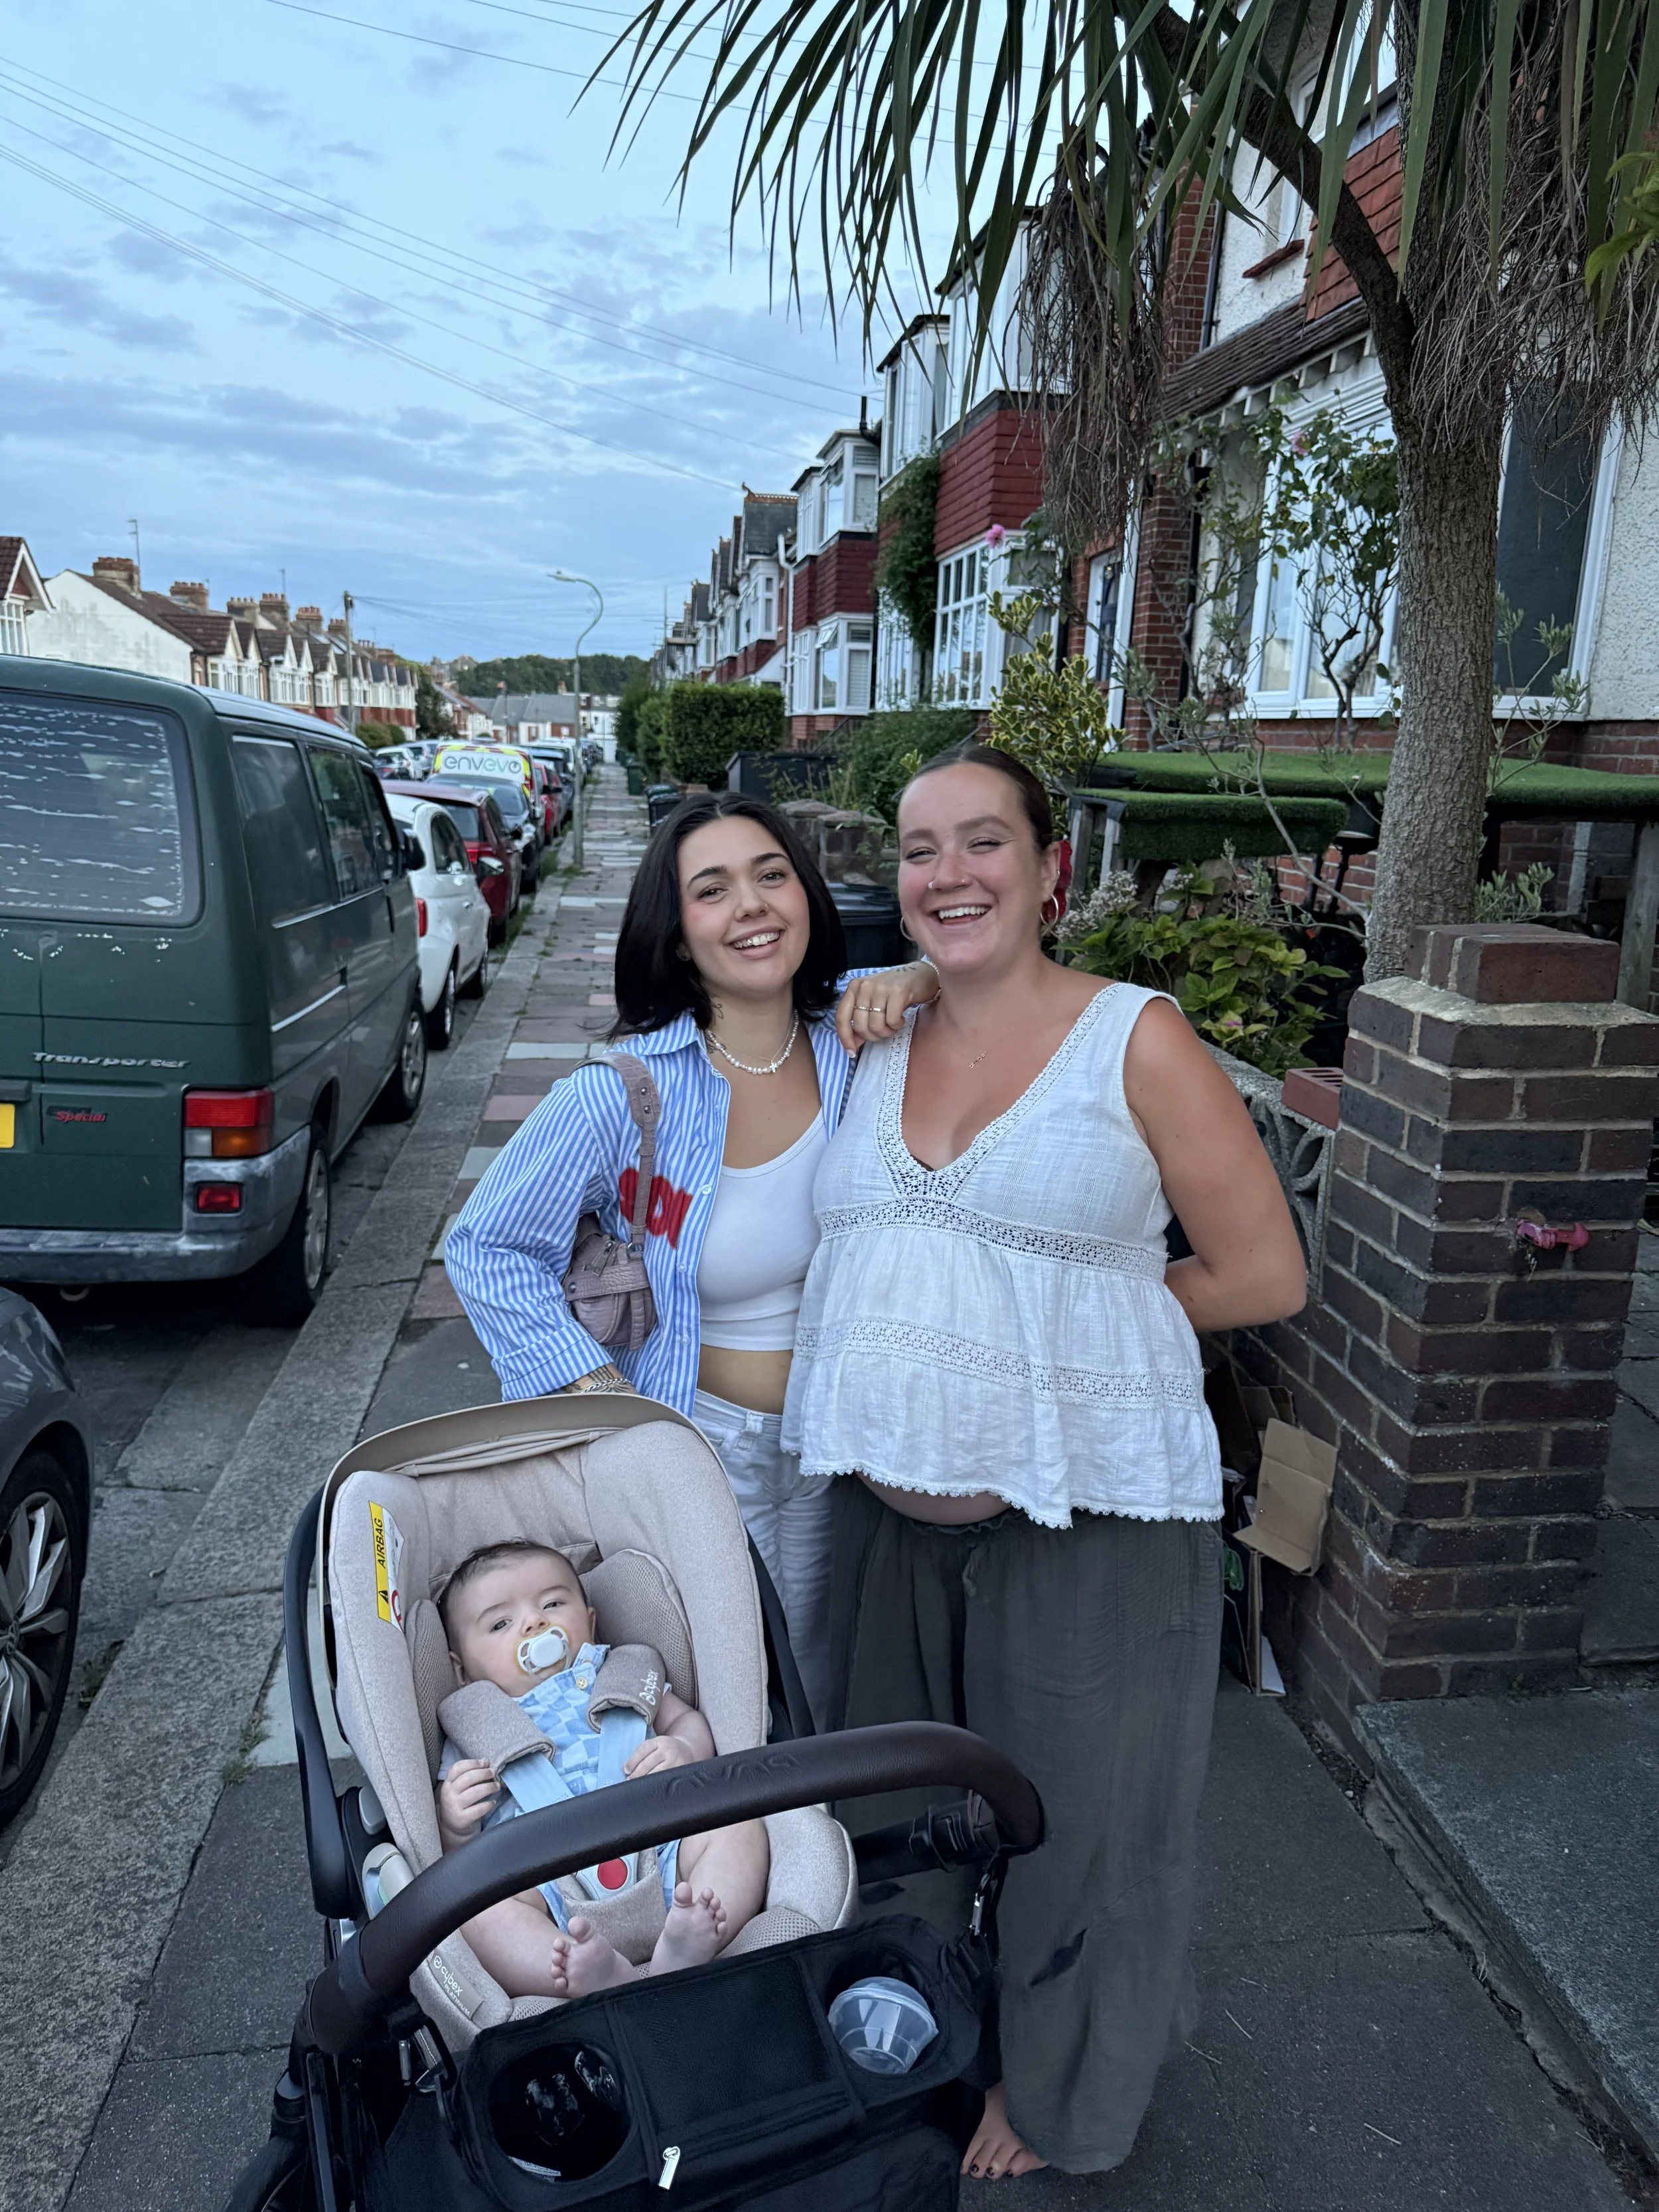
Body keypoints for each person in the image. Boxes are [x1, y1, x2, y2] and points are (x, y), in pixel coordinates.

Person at [790, 743, 1308, 2181]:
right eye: (917, 850)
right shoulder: (872, 1036)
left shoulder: (1130, 1038)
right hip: (891, 1519)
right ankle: (925, 2042)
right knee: (896, 1826)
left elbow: (1263, 1270)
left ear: (1048, 868)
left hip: (1082, 1518)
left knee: (1086, 1831)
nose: (947, 874)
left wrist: (1079, 1334)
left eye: (981, 842)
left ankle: (1061, 2087)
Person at [443, 792, 938, 1722]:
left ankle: (810, 1855)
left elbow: (1011, 991)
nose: (751, 905)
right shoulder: (627, 1093)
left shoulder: (864, 1046)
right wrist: (600, 1397)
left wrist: (926, 979)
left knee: (831, 1685)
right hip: (704, 1451)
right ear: (678, 936)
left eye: (771, 876)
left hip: (850, 1445)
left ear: (807, 896)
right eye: (712, 890)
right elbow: (488, 1247)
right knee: (719, 1696)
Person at [435, 1539, 768, 1998]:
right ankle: (576, 1968)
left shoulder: (622, 1673)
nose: (534, 1622)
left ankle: (691, 1938)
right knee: (477, 1910)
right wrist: (455, 1818)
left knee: (740, 1821)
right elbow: (458, 1852)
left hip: (664, 1839)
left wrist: (684, 1748)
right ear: (462, 1669)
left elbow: (685, 1720)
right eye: (501, 1622)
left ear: (590, 1622)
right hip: (544, 1880)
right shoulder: (474, 1727)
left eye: (553, 1602)